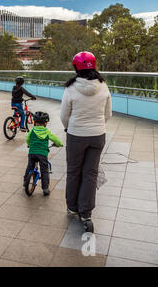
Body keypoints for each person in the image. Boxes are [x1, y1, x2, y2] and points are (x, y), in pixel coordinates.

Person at [60, 51, 112, 233]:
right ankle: (86, 213)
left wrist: (69, 128)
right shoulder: (103, 86)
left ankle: (72, 207)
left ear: (76, 67)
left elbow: (64, 116)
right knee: (90, 173)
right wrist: (97, 126)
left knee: (74, 171)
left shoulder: (71, 88)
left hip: (76, 135)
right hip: (98, 135)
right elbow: (108, 114)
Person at [24, 111, 63, 196]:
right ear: (45, 123)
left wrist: (29, 144)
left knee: (29, 166)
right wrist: (59, 144)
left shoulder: (32, 130)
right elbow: (56, 139)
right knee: (44, 170)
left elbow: (27, 138)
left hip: (32, 153)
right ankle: (45, 188)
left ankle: (25, 182)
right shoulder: (47, 131)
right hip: (42, 154)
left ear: (34, 122)